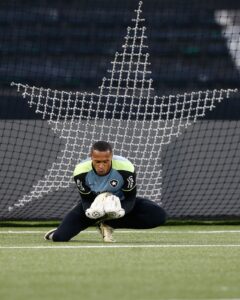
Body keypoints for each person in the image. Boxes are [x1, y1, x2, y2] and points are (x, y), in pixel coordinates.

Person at [45, 141, 167, 242]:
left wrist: (121, 211)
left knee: (159, 216)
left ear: (111, 157)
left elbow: (130, 198)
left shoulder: (126, 168)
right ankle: (60, 230)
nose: (101, 166)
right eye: (97, 162)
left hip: (121, 202)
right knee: (59, 238)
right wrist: (90, 211)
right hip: (95, 205)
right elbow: (86, 198)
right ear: (91, 157)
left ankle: (108, 224)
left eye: (105, 161)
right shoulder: (80, 171)